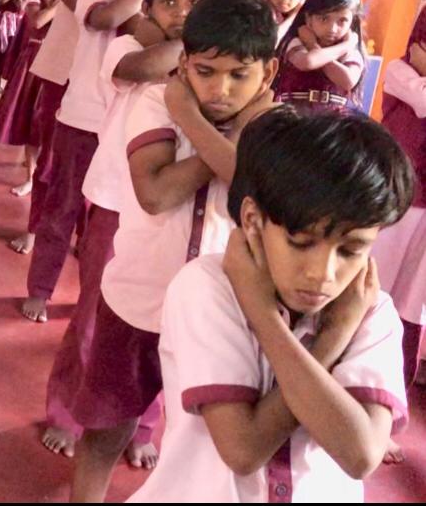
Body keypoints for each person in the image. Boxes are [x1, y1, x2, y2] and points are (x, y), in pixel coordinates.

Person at [130, 107, 414, 502]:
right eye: (301, 242)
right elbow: (243, 450)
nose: (323, 273)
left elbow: (362, 453)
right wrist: (322, 335)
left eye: (351, 250)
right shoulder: (207, 289)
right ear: (253, 220)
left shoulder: (372, 311)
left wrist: (303, 326)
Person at [70, 0, 276, 501]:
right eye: (205, 72)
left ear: (269, 73)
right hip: (139, 298)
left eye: (239, 75)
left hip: (226, 315)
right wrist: (220, 133)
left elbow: (252, 188)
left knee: (207, 450)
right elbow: (157, 193)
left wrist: (199, 126)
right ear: (183, 64)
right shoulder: (156, 102)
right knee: (105, 429)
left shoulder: (275, 130)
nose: (220, 91)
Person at [40, 0, 219, 466]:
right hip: (120, 201)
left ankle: (143, 425)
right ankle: (69, 413)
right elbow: (146, 65)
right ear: (147, 4)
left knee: (172, 322)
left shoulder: (215, 66)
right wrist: (196, 40)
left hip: (184, 208)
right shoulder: (123, 45)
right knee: (98, 314)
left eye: (195, 1)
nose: (183, 10)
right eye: (169, 0)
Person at [22, 0, 159, 323]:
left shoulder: (159, 3)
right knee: (61, 208)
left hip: (127, 129)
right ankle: (40, 290)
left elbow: (143, 35)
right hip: (80, 120)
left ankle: (94, 300)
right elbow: (105, 19)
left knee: (110, 223)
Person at [12, 0, 122, 257]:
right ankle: (35, 232)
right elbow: (95, 15)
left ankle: (81, 238)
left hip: (104, 89)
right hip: (62, 80)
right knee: (50, 166)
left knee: (96, 171)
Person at [372, 4, 426, 463]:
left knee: (410, 316)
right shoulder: (398, 72)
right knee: (373, 298)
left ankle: (387, 416)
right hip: (397, 201)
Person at [0, 0, 71, 191]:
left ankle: (46, 176)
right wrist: (61, 2)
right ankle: (30, 176)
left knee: (51, 125)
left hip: (61, 64)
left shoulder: (76, 0)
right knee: (31, 121)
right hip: (35, 63)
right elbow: (38, 22)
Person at [274, 0, 366, 112]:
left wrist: (313, 45)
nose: (332, 29)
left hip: (331, 122)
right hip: (292, 117)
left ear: (352, 22)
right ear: (308, 18)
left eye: (342, 21)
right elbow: (307, 61)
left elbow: (348, 81)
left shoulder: (351, 52)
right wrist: (345, 46)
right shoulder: (296, 43)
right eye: (324, 19)